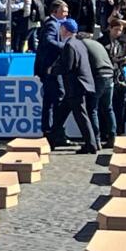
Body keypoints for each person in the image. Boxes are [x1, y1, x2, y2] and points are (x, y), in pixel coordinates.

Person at [51, 18, 99, 154]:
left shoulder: (70, 45)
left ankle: (91, 145)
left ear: (65, 30)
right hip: (79, 85)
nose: (59, 30)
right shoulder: (79, 43)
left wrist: (53, 70)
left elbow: (68, 67)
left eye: (61, 28)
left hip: (75, 86)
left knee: (81, 116)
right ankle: (50, 140)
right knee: (60, 115)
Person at [34, 0, 69, 143]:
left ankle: (48, 130)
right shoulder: (51, 24)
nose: (66, 14)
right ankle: (56, 132)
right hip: (51, 69)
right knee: (57, 98)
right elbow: (48, 41)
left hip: (48, 69)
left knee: (48, 100)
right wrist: (64, 47)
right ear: (55, 12)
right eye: (63, 11)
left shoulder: (55, 24)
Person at [79, 28, 116, 148]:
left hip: (98, 76)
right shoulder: (97, 44)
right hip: (110, 74)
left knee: (92, 108)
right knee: (108, 108)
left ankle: (96, 139)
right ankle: (112, 137)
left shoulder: (81, 45)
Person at [99, 20, 126, 137]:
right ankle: (105, 131)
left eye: (120, 30)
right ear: (110, 29)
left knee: (119, 104)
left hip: (119, 76)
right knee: (105, 105)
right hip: (107, 76)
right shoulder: (102, 43)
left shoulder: (123, 44)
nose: (118, 32)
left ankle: (119, 129)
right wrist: (117, 61)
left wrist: (124, 61)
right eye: (116, 29)